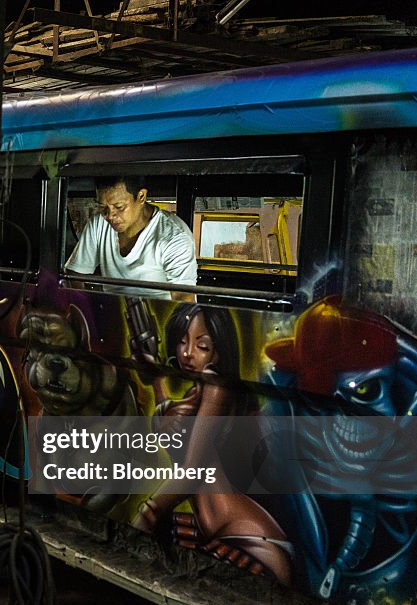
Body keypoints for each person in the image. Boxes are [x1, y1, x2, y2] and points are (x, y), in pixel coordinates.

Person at [132, 303, 292, 583]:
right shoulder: (199, 390)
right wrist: (157, 380)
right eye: (182, 342)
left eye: (201, 345)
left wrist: (149, 512)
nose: (187, 353)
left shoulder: (215, 385)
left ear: (219, 350)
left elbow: (192, 470)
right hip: (219, 529)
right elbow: (179, 443)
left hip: (251, 546)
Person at [65, 176, 197, 301]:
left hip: (158, 318)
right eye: (102, 207)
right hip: (112, 314)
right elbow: (75, 273)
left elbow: (183, 301)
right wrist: (84, 309)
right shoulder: (99, 224)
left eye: (119, 207)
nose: (110, 215)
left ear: (141, 197)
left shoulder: (174, 237)